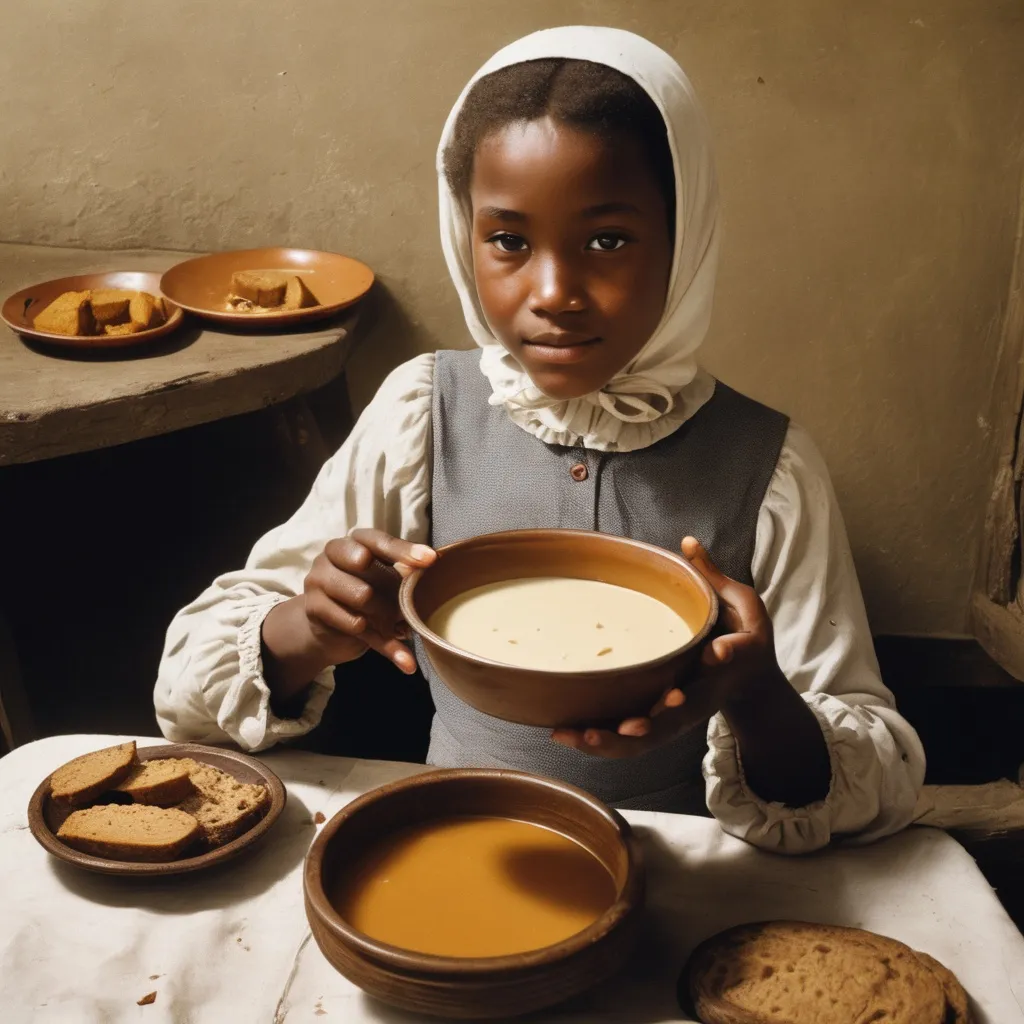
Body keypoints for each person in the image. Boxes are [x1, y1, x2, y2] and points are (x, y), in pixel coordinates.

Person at [154, 26, 925, 853]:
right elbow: (187, 700)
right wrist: (309, 627)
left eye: (607, 240)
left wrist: (755, 692)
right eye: (510, 241)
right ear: (465, 236)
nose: (554, 292)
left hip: (680, 880)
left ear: (686, 235)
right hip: (451, 845)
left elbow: (875, 785)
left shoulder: (769, 468)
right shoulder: (425, 412)